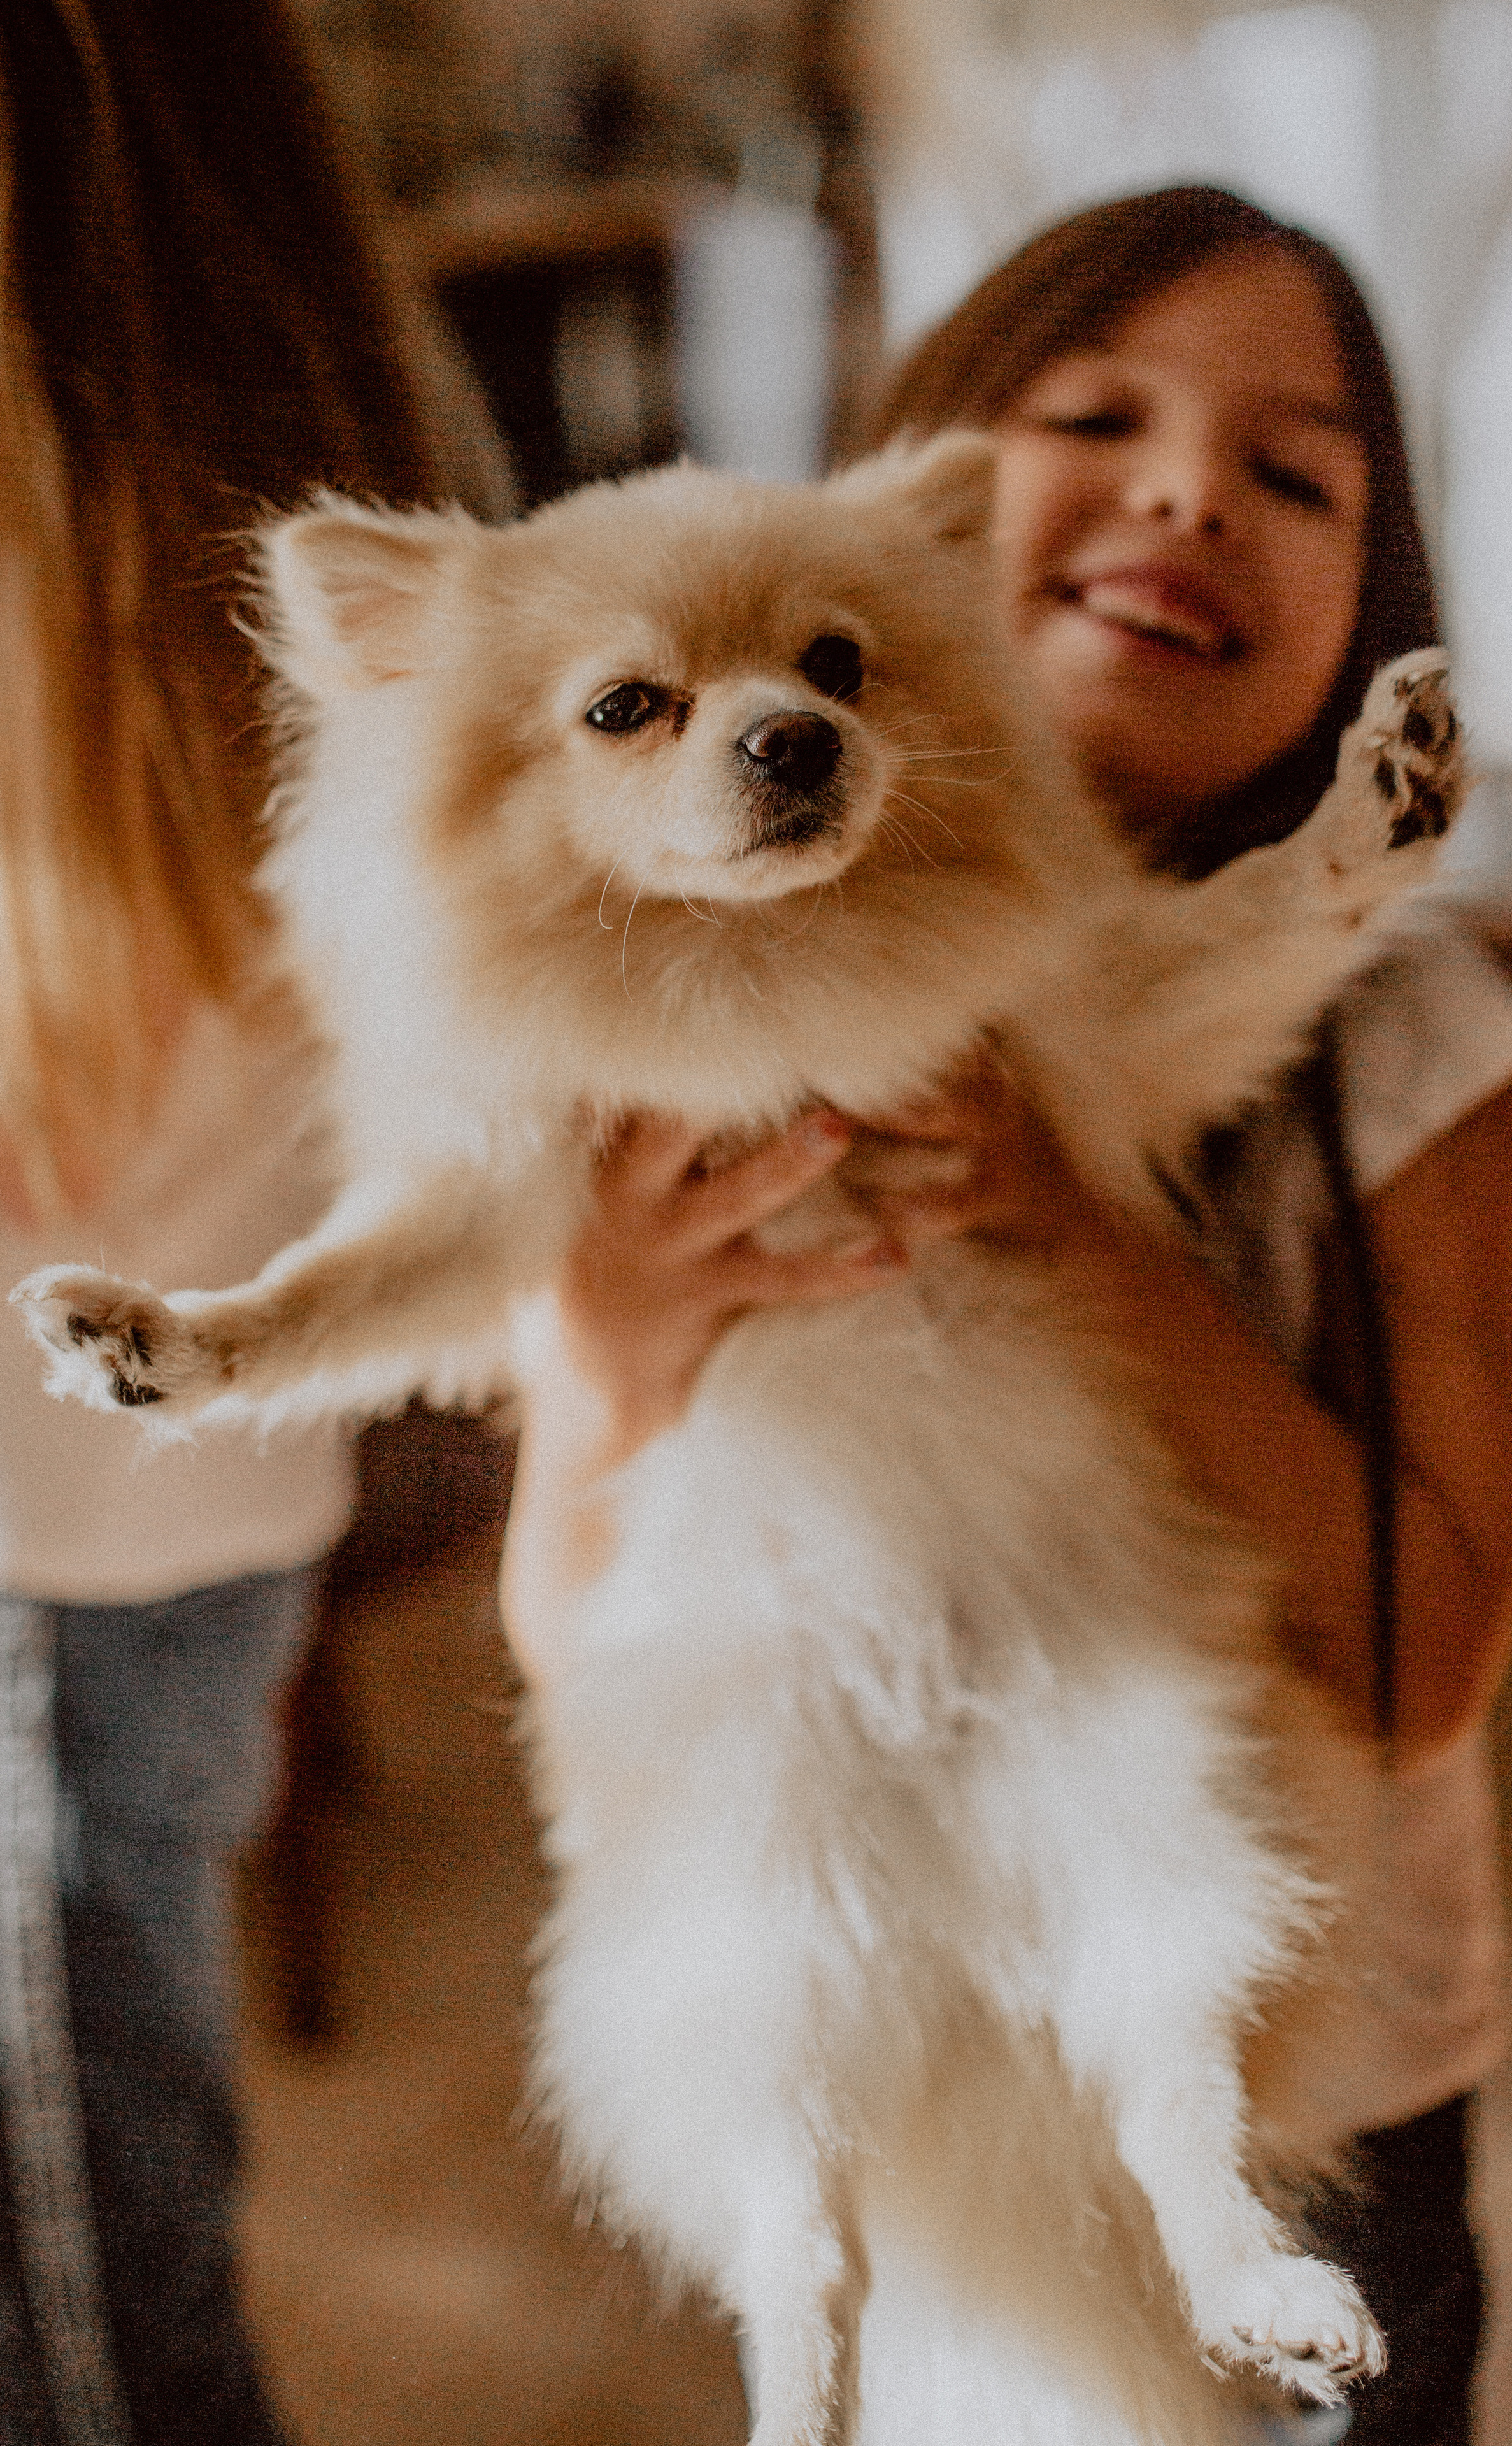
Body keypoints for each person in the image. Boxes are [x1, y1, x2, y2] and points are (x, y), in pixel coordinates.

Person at [498, 185, 1512, 2445]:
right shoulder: (692, 1046)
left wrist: (1077, 1224)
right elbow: (568, 1642)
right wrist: (606, 1356)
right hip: (910, 2070)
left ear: (1373, 612)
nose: (1190, 488)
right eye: (1097, 416)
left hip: (1315, 2083)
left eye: (1293, 474)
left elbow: (1432, 1647)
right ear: (893, 535)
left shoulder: (1413, 1043)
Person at [0, 4, 509, 2439]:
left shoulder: (160, 501)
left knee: (93, 2301)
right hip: (167, 1507)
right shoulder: (357, 409)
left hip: (70, 1524)